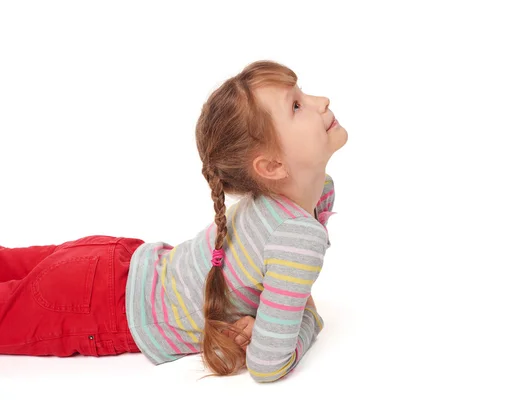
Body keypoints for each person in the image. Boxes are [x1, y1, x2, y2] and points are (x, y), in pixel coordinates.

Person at [0, 60, 348, 383]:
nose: (322, 100)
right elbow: (268, 363)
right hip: (97, 306)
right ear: (270, 167)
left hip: (112, 262)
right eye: (297, 105)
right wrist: (308, 318)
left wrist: (278, 312)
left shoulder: (316, 195)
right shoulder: (298, 233)